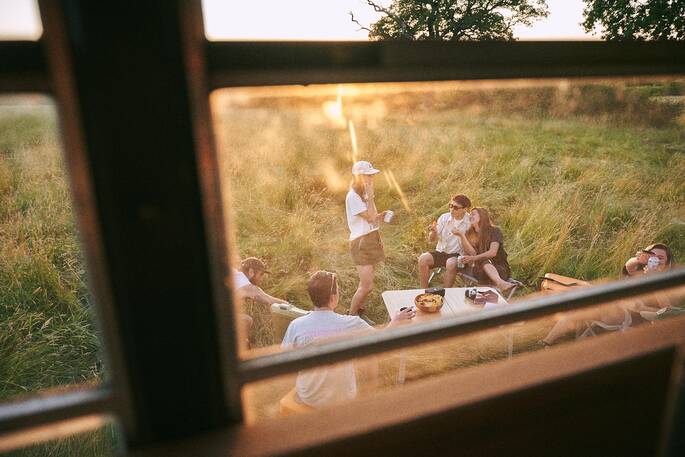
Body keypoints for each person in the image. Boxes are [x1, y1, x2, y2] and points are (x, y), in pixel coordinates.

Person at [282, 270, 414, 408]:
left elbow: (286, 357)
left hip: (308, 397)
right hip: (342, 399)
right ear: (333, 298)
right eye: (338, 290)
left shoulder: (296, 325)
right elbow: (381, 340)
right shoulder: (352, 324)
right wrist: (396, 320)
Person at [345, 160, 391, 318]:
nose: (372, 178)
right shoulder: (353, 196)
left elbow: (370, 218)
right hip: (361, 242)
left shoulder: (362, 193)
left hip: (371, 238)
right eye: (368, 175)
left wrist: (380, 216)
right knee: (367, 286)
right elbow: (369, 217)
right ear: (359, 176)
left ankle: (359, 310)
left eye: (372, 175)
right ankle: (351, 317)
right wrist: (371, 198)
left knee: (366, 284)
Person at [452, 207, 516, 293]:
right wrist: (462, 236)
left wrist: (473, 258)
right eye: (470, 215)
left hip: (499, 269)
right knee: (481, 266)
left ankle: (500, 283)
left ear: (482, 216)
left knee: (484, 261)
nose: (470, 216)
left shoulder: (494, 231)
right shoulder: (469, 233)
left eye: (473, 214)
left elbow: (492, 252)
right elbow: (472, 253)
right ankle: (496, 288)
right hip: (480, 270)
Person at [231, 257, 288, 346]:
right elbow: (266, 298)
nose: (261, 278)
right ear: (251, 272)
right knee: (246, 321)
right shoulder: (243, 283)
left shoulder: (234, 274)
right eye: (261, 274)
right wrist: (288, 306)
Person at [418, 194, 471, 288]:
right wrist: (434, 232)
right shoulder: (444, 217)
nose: (452, 209)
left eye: (456, 208)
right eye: (450, 206)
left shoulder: (469, 222)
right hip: (441, 252)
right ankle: (424, 291)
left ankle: (446, 293)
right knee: (423, 259)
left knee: (450, 263)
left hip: (458, 255)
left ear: (465, 209)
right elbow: (431, 239)